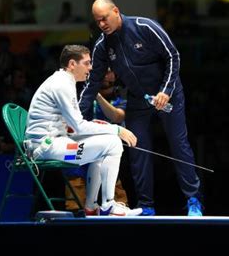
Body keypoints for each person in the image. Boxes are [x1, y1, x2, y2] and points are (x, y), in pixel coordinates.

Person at [79, 0, 203, 216]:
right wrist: (75, 117)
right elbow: (92, 84)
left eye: (105, 18)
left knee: (179, 145)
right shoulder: (102, 45)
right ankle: (147, 206)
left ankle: (193, 199)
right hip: (138, 99)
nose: (102, 25)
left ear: (116, 11)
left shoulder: (144, 26)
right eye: (97, 21)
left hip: (168, 94)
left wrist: (165, 90)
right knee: (137, 149)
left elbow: (173, 56)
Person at [25, 44, 142, 216]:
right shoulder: (61, 84)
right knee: (113, 143)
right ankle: (108, 205)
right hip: (45, 148)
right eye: (87, 63)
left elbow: (72, 127)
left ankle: (91, 206)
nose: (91, 67)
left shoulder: (64, 81)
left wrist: (102, 128)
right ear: (72, 64)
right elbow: (78, 126)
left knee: (105, 143)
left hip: (54, 142)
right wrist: (116, 129)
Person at [64, 68, 130, 212]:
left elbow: (117, 117)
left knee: (111, 162)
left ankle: (116, 206)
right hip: (82, 146)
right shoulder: (80, 93)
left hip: (107, 149)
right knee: (73, 170)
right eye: (103, 72)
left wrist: (97, 96)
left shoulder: (121, 94)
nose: (107, 76)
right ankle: (78, 207)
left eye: (110, 72)